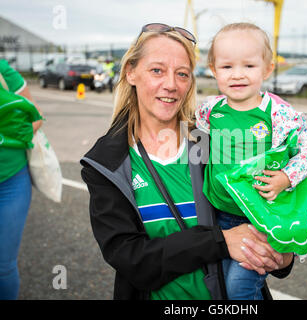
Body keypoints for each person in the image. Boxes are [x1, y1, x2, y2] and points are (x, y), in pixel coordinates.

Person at [80, 23, 294, 300]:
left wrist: (282, 256)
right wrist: (220, 241)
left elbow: (263, 206)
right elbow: (132, 259)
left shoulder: (210, 142)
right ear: (131, 72)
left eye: (182, 74)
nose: (171, 84)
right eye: (157, 70)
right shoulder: (107, 162)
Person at [195, 22, 307, 300]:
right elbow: (195, 140)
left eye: (249, 66)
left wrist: (287, 176)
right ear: (213, 70)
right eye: (227, 67)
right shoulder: (209, 110)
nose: (237, 75)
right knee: (219, 287)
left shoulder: (278, 112)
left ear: (267, 68)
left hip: (259, 218)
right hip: (218, 216)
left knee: (239, 288)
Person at [0, 59, 43, 299]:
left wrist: (15, 132)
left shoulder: (2, 71)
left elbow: (36, 116)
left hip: (10, 181)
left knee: (3, 267)